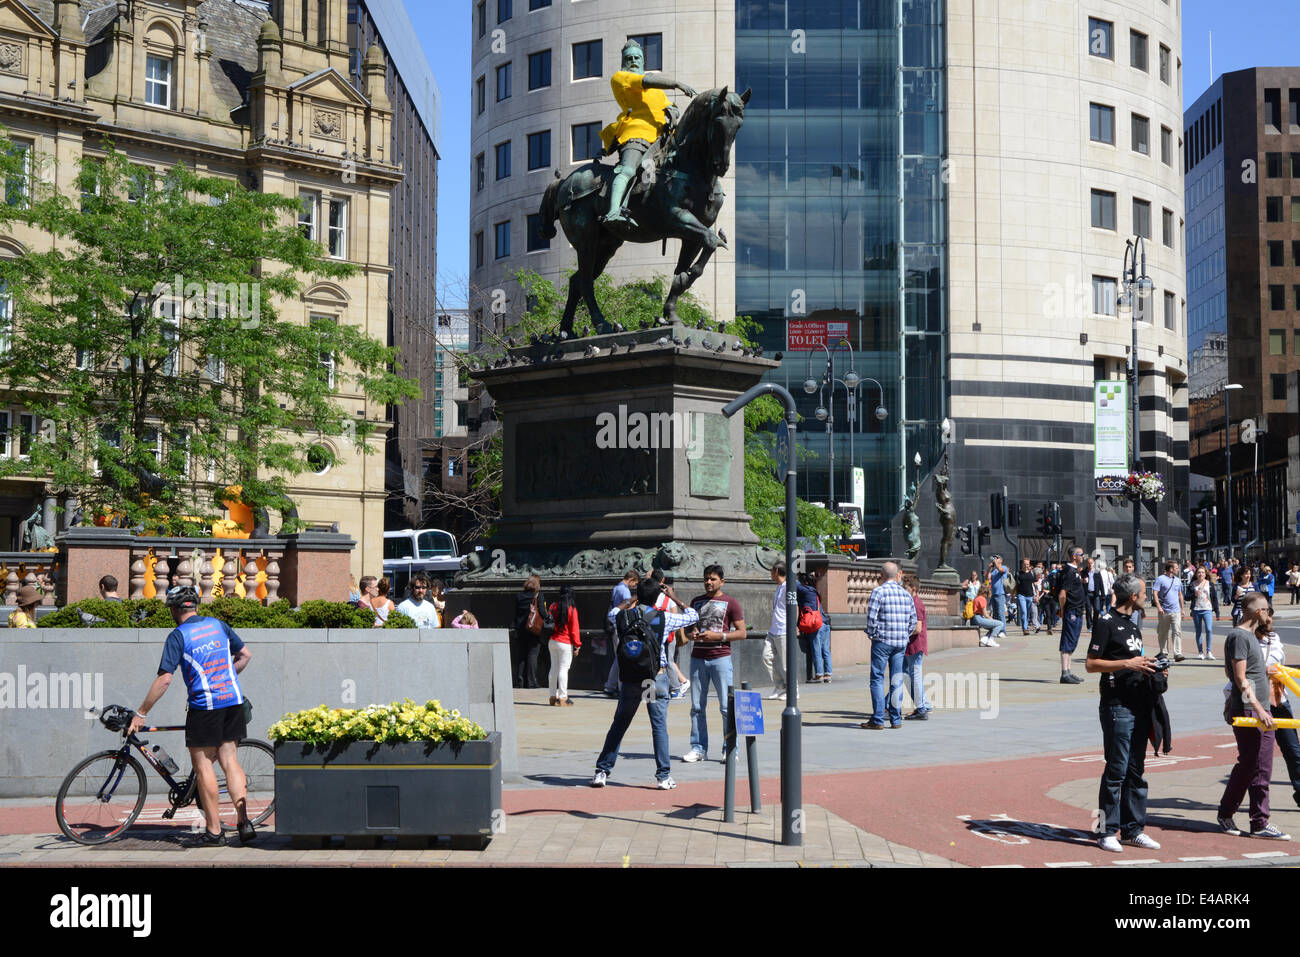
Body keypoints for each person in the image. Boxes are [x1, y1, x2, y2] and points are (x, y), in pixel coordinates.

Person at [127, 585, 255, 846]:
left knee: (203, 764)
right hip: (233, 700)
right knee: (230, 760)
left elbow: (164, 680)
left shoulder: (179, 635)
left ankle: (214, 831)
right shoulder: (218, 625)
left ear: (175, 609)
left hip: (205, 706)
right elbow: (245, 655)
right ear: (195, 606)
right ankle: (244, 823)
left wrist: (141, 712)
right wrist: (225, 678)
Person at [591, 577, 699, 789]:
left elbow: (611, 613)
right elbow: (692, 616)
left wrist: (630, 600)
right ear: (658, 597)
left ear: (637, 595)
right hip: (652, 678)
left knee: (620, 724)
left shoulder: (622, 616)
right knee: (658, 726)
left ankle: (602, 771)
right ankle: (663, 776)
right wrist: (673, 596)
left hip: (630, 678)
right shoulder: (663, 618)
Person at [1085, 572, 1162, 853]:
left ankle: (1133, 830)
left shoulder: (1133, 626)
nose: (1146, 597)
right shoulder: (1106, 622)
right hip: (1117, 705)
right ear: (1133, 597)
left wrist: (1151, 665)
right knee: (1115, 770)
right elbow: (1091, 664)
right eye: (1144, 593)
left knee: (1135, 771)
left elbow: (1132, 659)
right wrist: (1127, 664)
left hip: (1139, 704)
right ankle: (1105, 831)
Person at [599, 40, 697, 227]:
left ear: (643, 61)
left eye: (637, 57)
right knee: (628, 170)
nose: (634, 61)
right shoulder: (621, 78)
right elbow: (647, 80)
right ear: (623, 62)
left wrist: (673, 111)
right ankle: (613, 212)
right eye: (629, 58)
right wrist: (676, 83)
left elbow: (670, 106)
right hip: (637, 132)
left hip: (663, 138)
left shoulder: (657, 92)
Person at [1217, 593, 1290, 840]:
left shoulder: (1245, 636)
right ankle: (1257, 821)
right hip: (1251, 711)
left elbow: (1234, 671)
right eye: (1268, 610)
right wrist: (1259, 709)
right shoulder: (1240, 636)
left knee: (1253, 765)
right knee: (1258, 765)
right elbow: (1238, 677)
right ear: (1259, 612)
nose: (1269, 615)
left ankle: (1234, 814)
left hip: (1256, 708)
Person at [684, 565, 745, 762]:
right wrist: (692, 634)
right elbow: (688, 630)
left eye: (712, 579)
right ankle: (698, 747)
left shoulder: (731, 603)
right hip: (698, 658)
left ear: (722, 581)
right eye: (706, 579)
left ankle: (730, 748)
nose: (708, 582)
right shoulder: (696, 602)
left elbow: (742, 632)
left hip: (721, 658)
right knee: (697, 706)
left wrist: (719, 636)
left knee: (726, 707)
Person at [861, 561, 917, 730]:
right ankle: (896, 718)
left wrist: (872, 634)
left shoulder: (878, 592)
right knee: (896, 679)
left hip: (882, 641)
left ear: (881, 575)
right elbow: (913, 620)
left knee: (877, 678)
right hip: (900, 643)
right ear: (897, 574)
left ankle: (878, 719)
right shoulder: (906, 595)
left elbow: (871, 618)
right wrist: (904, 634)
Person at [1264, 624, 1300, 810]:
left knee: (1294, 751)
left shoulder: (1275, 640)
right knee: (1256, 757)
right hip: (1258, 704)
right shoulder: (1245, 640)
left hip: (1280, 701)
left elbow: (1283, 668)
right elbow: (1235, 674)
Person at [603, 570, 641, 695]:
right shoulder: (624, 590)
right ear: (631, 579)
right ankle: (621, 688)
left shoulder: (616, 587)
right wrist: (635, 602)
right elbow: (627, 606)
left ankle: (610, 686)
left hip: (614, 624)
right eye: (634, 584)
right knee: (622, 657)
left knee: (618, 657)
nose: (633, 586)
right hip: (621, 626)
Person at [1056, 547, 1088, 684]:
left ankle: (1068, 671)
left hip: (1077, 610)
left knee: (1072, 640)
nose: (1083, 557)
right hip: (1072, 611)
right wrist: (1063, 610)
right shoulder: (1069, 572)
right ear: (1074, 556)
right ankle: (1064, 673)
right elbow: (1062, 594)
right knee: (1068, 640)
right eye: (1081, 554)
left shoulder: (1074, 571)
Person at [512, 575, 550, 689]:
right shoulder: (538, 596)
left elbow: (516, 613)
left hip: (520, 629)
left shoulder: (518, 596)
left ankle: (520, 681)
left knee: (521, 655)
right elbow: (543, 613)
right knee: (532, 655)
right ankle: (531, 681)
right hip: (534, 629)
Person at [547, 585, 581, 706]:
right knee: (563, 669)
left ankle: (552, 696)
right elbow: (574, 629)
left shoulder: (552, 606)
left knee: (553, 668)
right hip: (565, 642)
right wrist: (577, 645)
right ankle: (563, 697)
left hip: (552, 641)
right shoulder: (571, 609)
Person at [903, 577, 931, 720]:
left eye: (906, 588)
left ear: (913, 589)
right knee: (907, 675)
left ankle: (921, 708)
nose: (903, 590)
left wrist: (902, 634)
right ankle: (925, 704)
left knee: (914, 677)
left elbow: (917, 628)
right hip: (911, 645)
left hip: (915, 644)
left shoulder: (916, 604)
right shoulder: (912, 602)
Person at [764, 562, 791, 699]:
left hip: (784, 629)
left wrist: (794, 626)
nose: (770, 573)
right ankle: (780, 687)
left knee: (786, 664)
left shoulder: (788, 587)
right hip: (774, 630)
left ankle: (792, 691)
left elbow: (794, 606)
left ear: (776, 571)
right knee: (766, 656)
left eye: (771, 571)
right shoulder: (779, 587)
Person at [1151, 561, 1186, 663]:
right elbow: (1155, 593)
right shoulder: (1160, 579)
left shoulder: (1178, 580)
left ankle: (1177, 653)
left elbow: (1180, 595)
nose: (1178, 569)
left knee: (1177, 632)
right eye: (1176, 568)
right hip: (1164, 611)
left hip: (1176, 611)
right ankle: (1164, 652)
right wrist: (1158, 607)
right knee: (1163, 632)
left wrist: (1182, 609)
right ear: (1171, 569)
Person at [1190, 565, 1216, 660]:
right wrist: (1194, 594)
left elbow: (1214, 598)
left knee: (1209, 629)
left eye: (1202, 572)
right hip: (1196, 609)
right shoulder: (1193, 584)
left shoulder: (1210, 584)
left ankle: (1209, 651)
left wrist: (1217, 611)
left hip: (1207, 609)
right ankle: (1200, 652)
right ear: (1196, 574)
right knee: (1198, 631)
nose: (1200, 574)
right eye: (1199, 572)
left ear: (1205, 574)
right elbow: (1187, 596)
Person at [1015, 558, 1039, 636]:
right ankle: (1025, 628)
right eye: (1025, 564)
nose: (1026, 565)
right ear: (1022, 564)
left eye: (1028, 564)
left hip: (1030, 595)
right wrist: (1012, 595)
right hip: (1021, 595)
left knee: (1028, 613)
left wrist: (1037, 595)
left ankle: (1026, 626)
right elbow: (1015, 585)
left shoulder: (1031, 573)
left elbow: (1035, 586)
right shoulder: (1018, 573)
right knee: (1024, 612)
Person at [987, 555, 1009, 625]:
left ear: (1001, 560)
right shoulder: (994, 570)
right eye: (994, 558)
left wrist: (995, 563)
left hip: (1000, 594)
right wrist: (990, 568)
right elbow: (988, 577)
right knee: (995, 614)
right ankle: (997, 630)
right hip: (994, 594)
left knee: (1001, 614)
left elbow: (1001, 570)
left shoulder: (1004, 567)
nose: (995, 559)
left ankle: (1003, 631)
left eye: (997, 558)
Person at [1092, 559, 1114, 624]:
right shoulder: (1109, 573)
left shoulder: (1097, 573)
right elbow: (1112, 582)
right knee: (1108, 606)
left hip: (1100, 593)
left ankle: (1103, 618)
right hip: (1108, 592)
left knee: (1100, 608)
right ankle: (1108, 619)